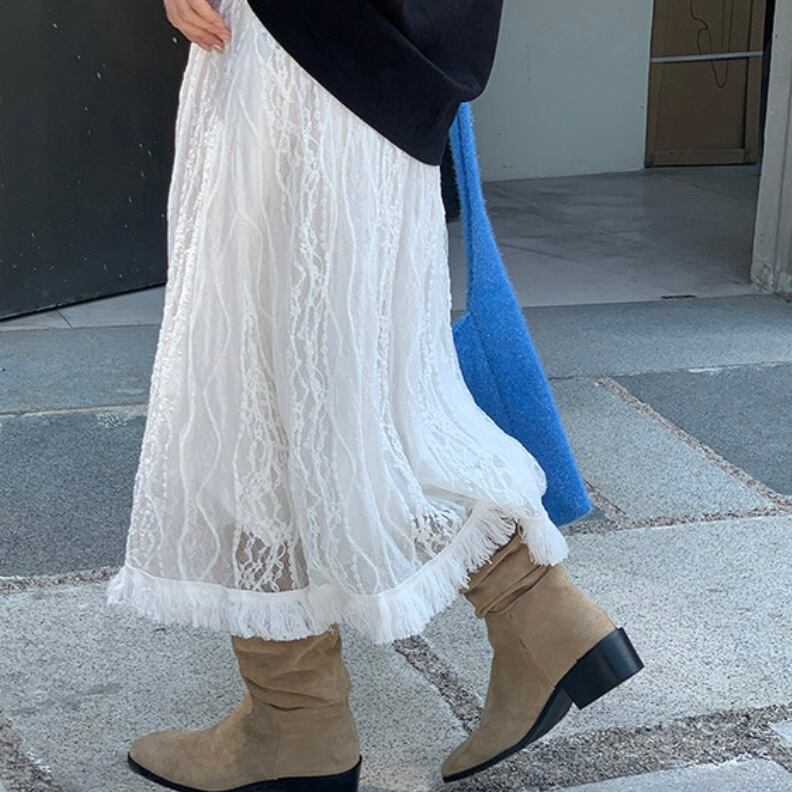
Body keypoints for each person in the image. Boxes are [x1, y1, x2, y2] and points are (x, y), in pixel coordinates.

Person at [107, 1, 643, 790]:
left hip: (292, 49)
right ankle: (542, 618)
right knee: (365, 391)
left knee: (252, 387)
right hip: (393, 69)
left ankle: (295, 719)